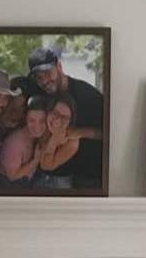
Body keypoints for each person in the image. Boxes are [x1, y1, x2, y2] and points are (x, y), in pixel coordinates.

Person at [27, 48, 103, 188]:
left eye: (48, 73)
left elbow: (110, 132)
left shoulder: (87, 96)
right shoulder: (39, 91)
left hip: (88, 177)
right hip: (48, 174)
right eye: (39, 77)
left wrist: (76, 132)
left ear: (59, 66)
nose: (45, 81)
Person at [0, 94, 51, 187]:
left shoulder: (44, 134)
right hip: (8, 184)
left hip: (28, 178)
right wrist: (35, 161)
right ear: (25, 119)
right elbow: (12, 176)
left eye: (42, 121)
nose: (37, 127)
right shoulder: (14, 143)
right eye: (31, 120)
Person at [38, 93, 81, 189]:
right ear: (48, 111)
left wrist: (53, 143)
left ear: (70, 121)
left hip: (56, 183)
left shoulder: (72, 141)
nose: (57, 120)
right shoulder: (40, 123)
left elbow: (46, 166)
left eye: (65, 118)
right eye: (55, 113)